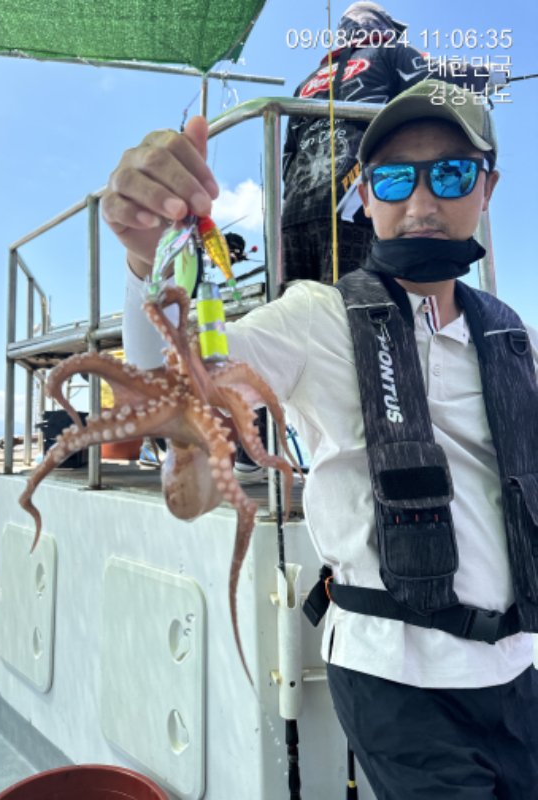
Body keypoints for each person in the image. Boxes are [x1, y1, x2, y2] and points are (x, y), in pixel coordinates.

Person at [103, 80, 538, 797]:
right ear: (364, 195)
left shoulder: (514, 336)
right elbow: (177, 385)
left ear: (487, 187)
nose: (421, 203)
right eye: (394, 179)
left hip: (520, 672)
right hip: (394, 679)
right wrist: (151, 265)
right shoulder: (315, 319)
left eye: (452, 174)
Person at [281, 1, 488, 285]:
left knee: (294, 307)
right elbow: (439, 77)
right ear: (378, 27)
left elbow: (287, 155)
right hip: (353, 203)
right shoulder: (389, 52)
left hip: (293, 212)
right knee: (353, 305)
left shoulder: (305, 84)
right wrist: (490, 76)